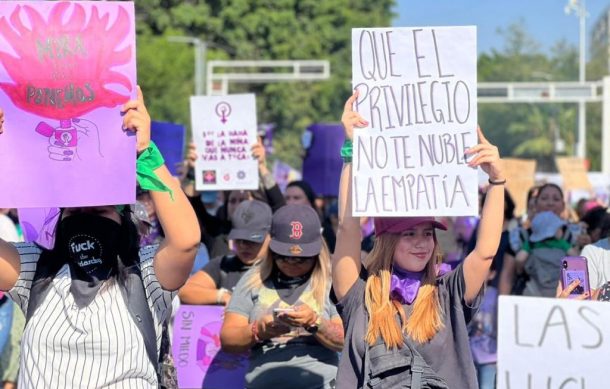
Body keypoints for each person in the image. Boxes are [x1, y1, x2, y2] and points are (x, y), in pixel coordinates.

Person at [0, 88, 201, 388]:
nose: (87, 219)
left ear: (123, 219)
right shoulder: (36, 269)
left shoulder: (146, 273)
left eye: (99, 211)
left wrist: (145, 154)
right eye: (76, 212)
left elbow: (185, 240)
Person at [331, 91, 505, 389]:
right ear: (385, 240)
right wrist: (351, 151)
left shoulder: (447, 291)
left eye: (428, 233)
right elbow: (348, 230)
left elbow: (486, 253)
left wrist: (497, 181)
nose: (421, 242)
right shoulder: (361, 295)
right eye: (409, 234)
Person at [220, 204, 344, 389]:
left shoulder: (330, 280)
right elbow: (228, 339)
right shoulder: (254, 278)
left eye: (302, 258)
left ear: (317, 253)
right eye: (283, 256)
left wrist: (315, 322)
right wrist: (259, 329)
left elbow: (345, 340)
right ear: (272, 250)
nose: (291, 263)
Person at [179, 200, 272, 306]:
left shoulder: (282, 268)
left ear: (270, 236)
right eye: (238, 239)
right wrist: (222, 296)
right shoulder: (223, 266)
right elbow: (185, 291)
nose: (243, 245)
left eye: (251, 241)